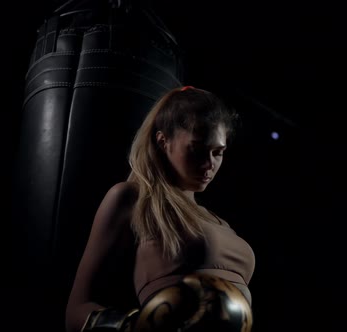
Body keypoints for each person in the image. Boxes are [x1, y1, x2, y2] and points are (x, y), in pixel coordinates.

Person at [65, 86, 256, 332]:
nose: (210, 164)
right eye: (197, 150)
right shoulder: (132, 198)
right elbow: (75, 311)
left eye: (218, 152)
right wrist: (135, 325)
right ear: (163, 140)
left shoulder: (222, 224)